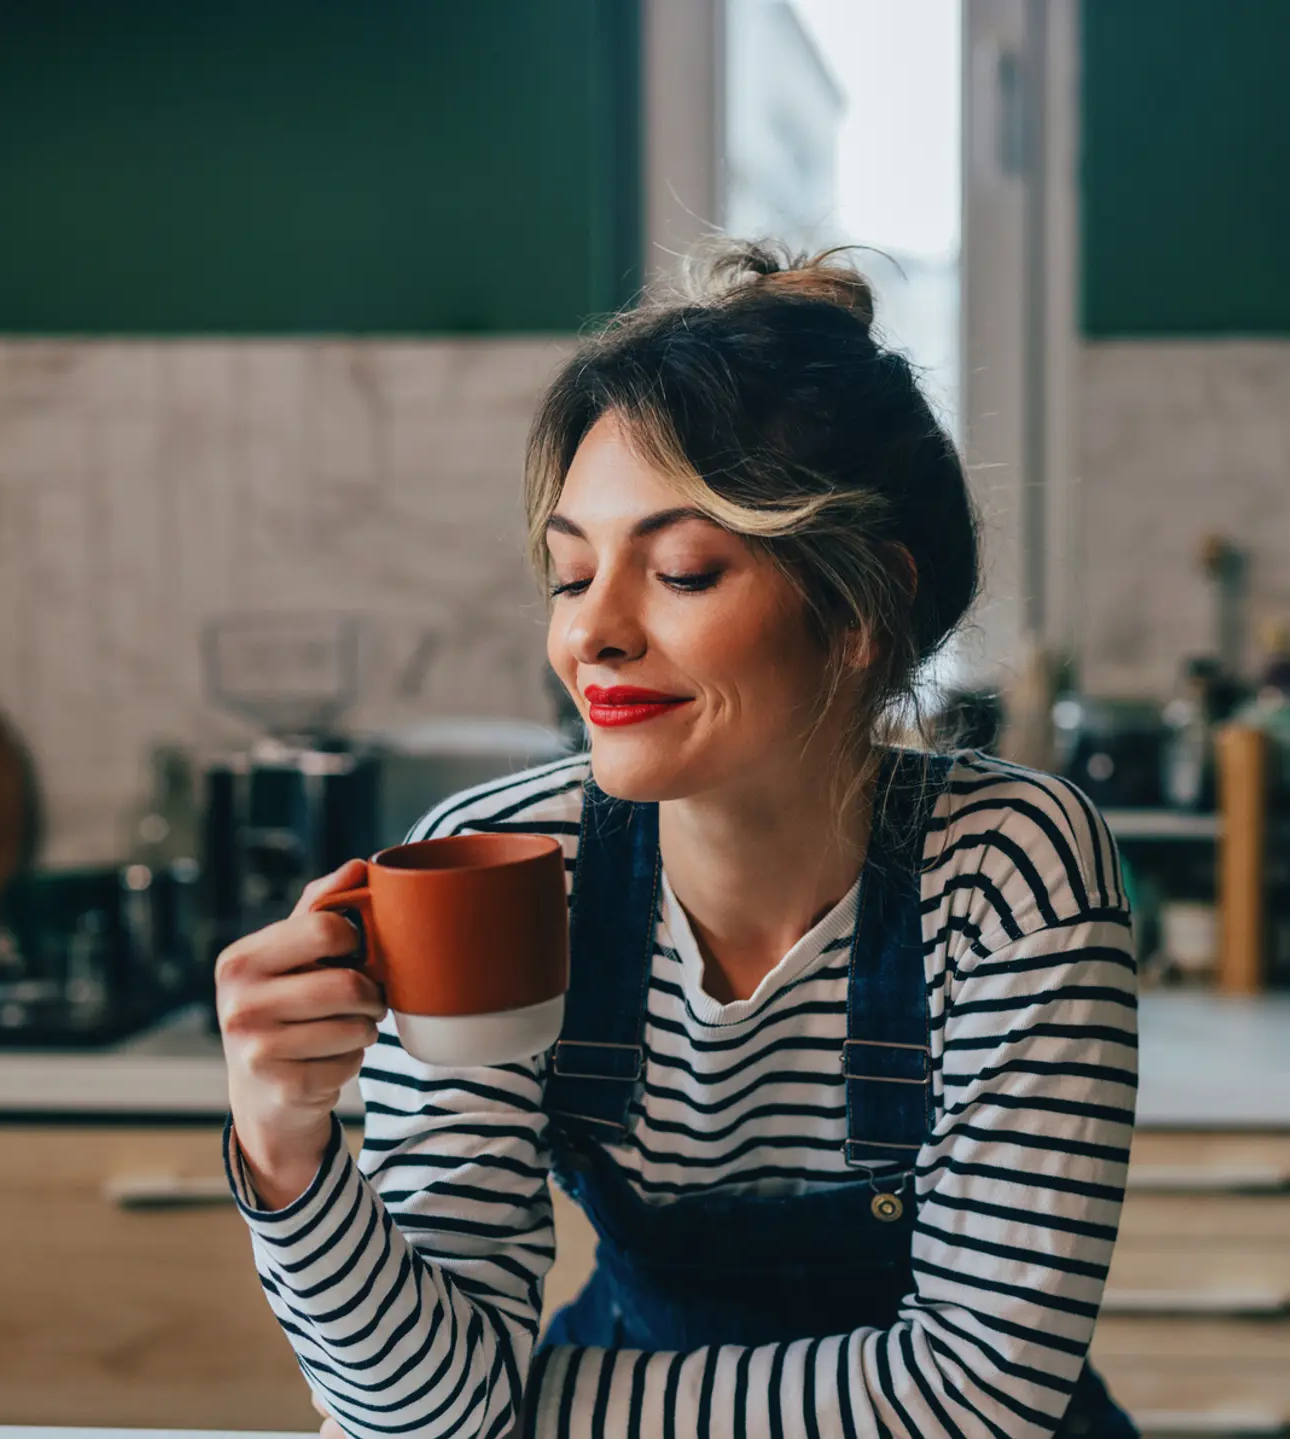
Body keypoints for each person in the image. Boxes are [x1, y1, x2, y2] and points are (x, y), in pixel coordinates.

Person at [214, 243, 1139, 1439]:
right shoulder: (501, 868)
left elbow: (980, 1395)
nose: (590, 632)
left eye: (683, 570)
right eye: (570, 573)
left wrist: (524, 1417)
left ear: (863, 606)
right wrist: (284, 1146)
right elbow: (427, 1408)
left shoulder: (1011, 868)